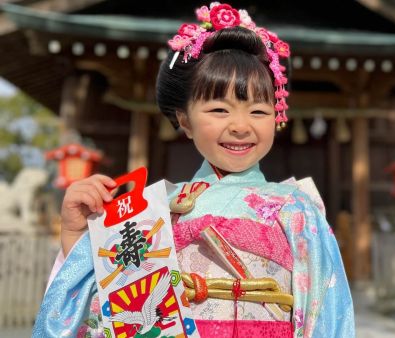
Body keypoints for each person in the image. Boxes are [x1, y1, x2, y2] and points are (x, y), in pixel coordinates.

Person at [33, 2, 355, 338]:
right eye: (219, 109)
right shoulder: (152, 210)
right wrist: (75, 236)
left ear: (277, 116)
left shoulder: (296, 209)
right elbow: (112, 303)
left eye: (259, 111)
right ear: (185, 121)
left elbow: (326, 315)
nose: (241, 126)